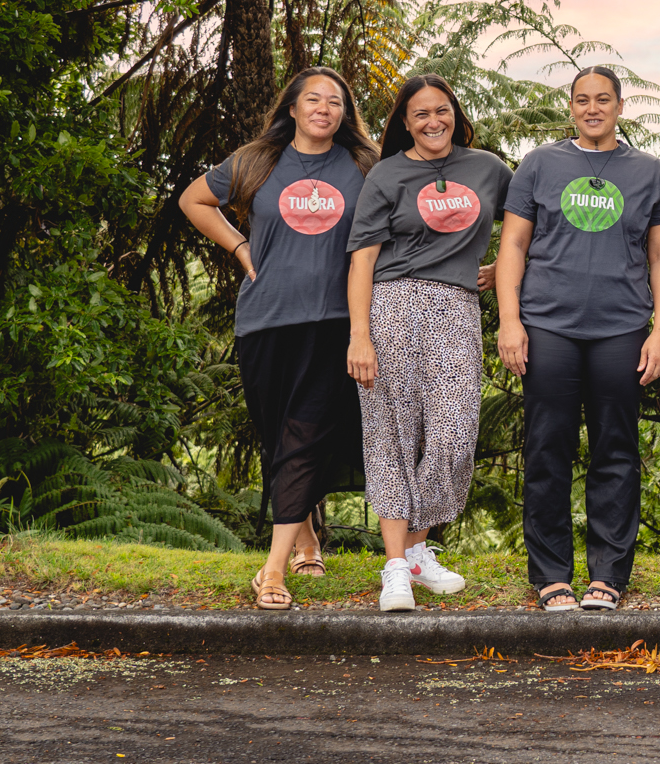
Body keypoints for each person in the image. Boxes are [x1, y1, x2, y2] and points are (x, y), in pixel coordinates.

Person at [178, 66, 377, 612]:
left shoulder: (365, 165)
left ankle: (270, 570)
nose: (324, 108)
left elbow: (401, 224)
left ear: (345, 113)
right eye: (313, 99)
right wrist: (241, 248)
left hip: (336, 321)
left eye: (335, 101)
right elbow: (193, 201)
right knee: (277, 435)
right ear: (292, 108)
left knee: (305, 433)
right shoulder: (256, 162)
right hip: (264, 321)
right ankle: (307, 538)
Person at [496, 66, 660, 613]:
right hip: (548, 326)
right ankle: (552, 576)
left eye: (604, 99)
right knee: (547, 449)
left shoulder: (647, 172)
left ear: (621, 107)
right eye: (582, 100)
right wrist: (510, 320)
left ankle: (608, 576)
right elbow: (513, 246)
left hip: (621, 329)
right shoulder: (539, 165)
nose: (593, 108)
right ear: (571, 108)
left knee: (615, 452)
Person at [344, 74, 514, 613]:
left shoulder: (487, 169)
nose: (433, 122)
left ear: (455, 114)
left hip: (456, 309)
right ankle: (396, 567)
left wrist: (506, 267)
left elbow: (530, 224)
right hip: (392, 307)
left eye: (441, 110)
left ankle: (417, 553)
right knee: (391, 434)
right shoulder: (388, 174)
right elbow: (362, 259)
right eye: (420, 114)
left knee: (455, 434)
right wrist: (359, 335)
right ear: (405, 123)